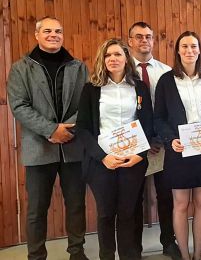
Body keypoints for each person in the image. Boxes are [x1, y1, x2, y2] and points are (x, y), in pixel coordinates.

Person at [7, 16, 89, 260]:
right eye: (48, 31)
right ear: (37, 35)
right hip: (38, 148)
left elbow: (87, 103)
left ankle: (77, 252)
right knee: (36, 210)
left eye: (58, 31)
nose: (53, 35)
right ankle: (36, 256)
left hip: (73, 147)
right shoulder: (21, 68)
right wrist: (51, 130)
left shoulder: (79, 67)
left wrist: (68, 130)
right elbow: (19, 106)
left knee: (76, 206)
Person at [154, 31, 201, 260]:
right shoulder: (166, 81)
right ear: (177, 50)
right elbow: (159, 118)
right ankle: (185, 256)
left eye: (194, 47)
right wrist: (170, 139)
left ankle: (197, 255)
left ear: (199, 50)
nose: (189, 51)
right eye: (184, 46)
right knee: (180, 203)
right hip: (179, 150)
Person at [76, 38, 154, 260]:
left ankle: (130, 256)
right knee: (106, 214)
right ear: (103, 60)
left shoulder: (139, 87)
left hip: (132, 161)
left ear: (126, 58)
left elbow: (148, 125)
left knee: (128, 213)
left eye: (118, 54)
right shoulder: (91, 89)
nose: (113, 59)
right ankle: (107, 256)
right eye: (108, 55)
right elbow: (82, 129)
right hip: (102, 162)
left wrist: (139, 155)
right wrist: (103, 157)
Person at [127, 21, 181, 259]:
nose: (144, 41)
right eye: (138, 37)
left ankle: (169, 241)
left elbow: (169, 110)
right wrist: (141, 140)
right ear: (130, 41)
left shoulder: (165, 71)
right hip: (132, 144)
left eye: (148, 36)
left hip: (161, 143)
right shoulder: (121, 69)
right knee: (134, 198)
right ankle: (134, 248)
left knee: (166, 195)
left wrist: (160, 138)